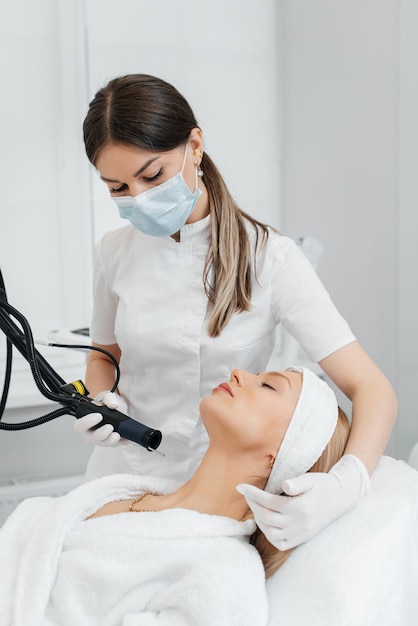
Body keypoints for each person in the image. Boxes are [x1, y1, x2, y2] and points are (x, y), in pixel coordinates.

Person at [75, 73, 397, 550]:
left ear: (194, 146)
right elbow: (104, 353)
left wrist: (346, 485)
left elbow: (371, 388)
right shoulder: (114, 251)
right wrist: (99, 401)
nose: (139, 199)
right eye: (118, 188)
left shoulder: (271, 258)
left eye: (152, 175)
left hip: (219, 492)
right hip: (124, 472)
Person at [0, 367, 350, 626]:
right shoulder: (130, 490)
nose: (240, 373)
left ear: (284, 453)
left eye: (269, 385)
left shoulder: (224, 575)